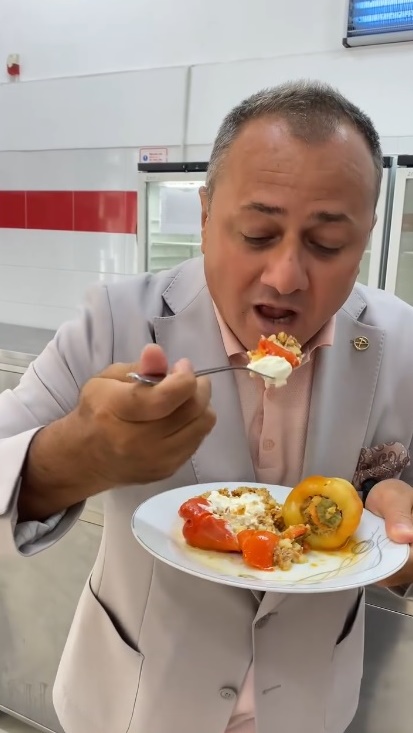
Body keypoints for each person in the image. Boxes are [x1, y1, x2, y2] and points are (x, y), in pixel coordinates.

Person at [0, 80, 413, 733]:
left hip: (309, 708)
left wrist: (401, 540)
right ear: (204, 213)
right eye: (256, 233)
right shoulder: (116, 319)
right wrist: (77, 457)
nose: (285, 277)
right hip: (134, 704)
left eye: (328, 244)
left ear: (365, 238)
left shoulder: (400, 342)